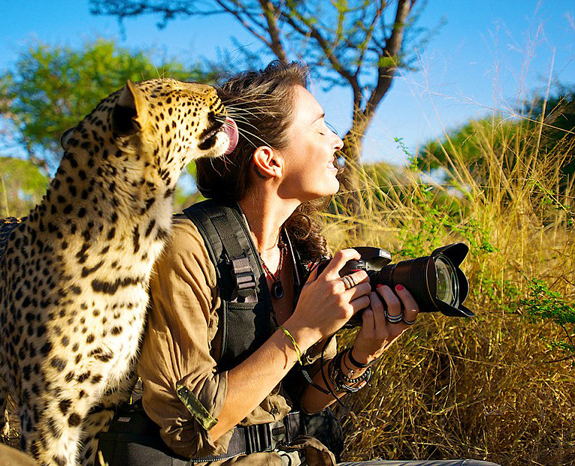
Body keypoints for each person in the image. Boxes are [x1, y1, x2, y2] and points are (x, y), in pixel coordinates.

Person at [129, 61, 499, 466]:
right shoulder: (185, 245)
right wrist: (301, 329)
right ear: (269, 161)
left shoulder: (300, 250)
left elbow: (306, 397)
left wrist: (363, 353)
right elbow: (190, 426)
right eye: (321, 128)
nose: (337, 141)